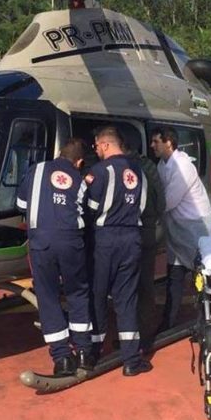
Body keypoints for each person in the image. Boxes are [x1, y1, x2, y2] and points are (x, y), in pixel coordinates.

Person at [16, 138, 93, 376]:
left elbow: (21, 204)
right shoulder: (80, 180)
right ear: (79, 162)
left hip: (42, 243)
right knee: (77, 292)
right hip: (71, 242)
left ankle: (62, 358)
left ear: (59, 153)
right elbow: (87, 210)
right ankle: (83, 352)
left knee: (47, 296)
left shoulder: (36, 169)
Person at [86, 126, 152, 376]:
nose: (96, 152)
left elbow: (90, 207)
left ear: (104, 145)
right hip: (132, 237)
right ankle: (131, 360)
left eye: (96, 147)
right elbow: (144, 206)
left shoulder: (99, 171)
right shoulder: (138, 170)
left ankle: (93, 351)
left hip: (106, 239)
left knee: (98, 294)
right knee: (126, 298)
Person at [150, 126, 211, 331]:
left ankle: (208, 316)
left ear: (169, 143)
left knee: (200, 272)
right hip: (176, 226)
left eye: (156, 142)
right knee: (174, 274)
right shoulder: (162, 164)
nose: (152, 146)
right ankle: (168, 321)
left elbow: (169, 200)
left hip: (193, 226)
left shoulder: (183, 166)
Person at [133, 151, 164, 352]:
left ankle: (137, 338)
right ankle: (142, 336)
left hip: (135, 235)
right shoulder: (149, 167)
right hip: (147, 232)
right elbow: (161, 202)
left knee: (136, 288)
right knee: (144, 286)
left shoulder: (121, 169)